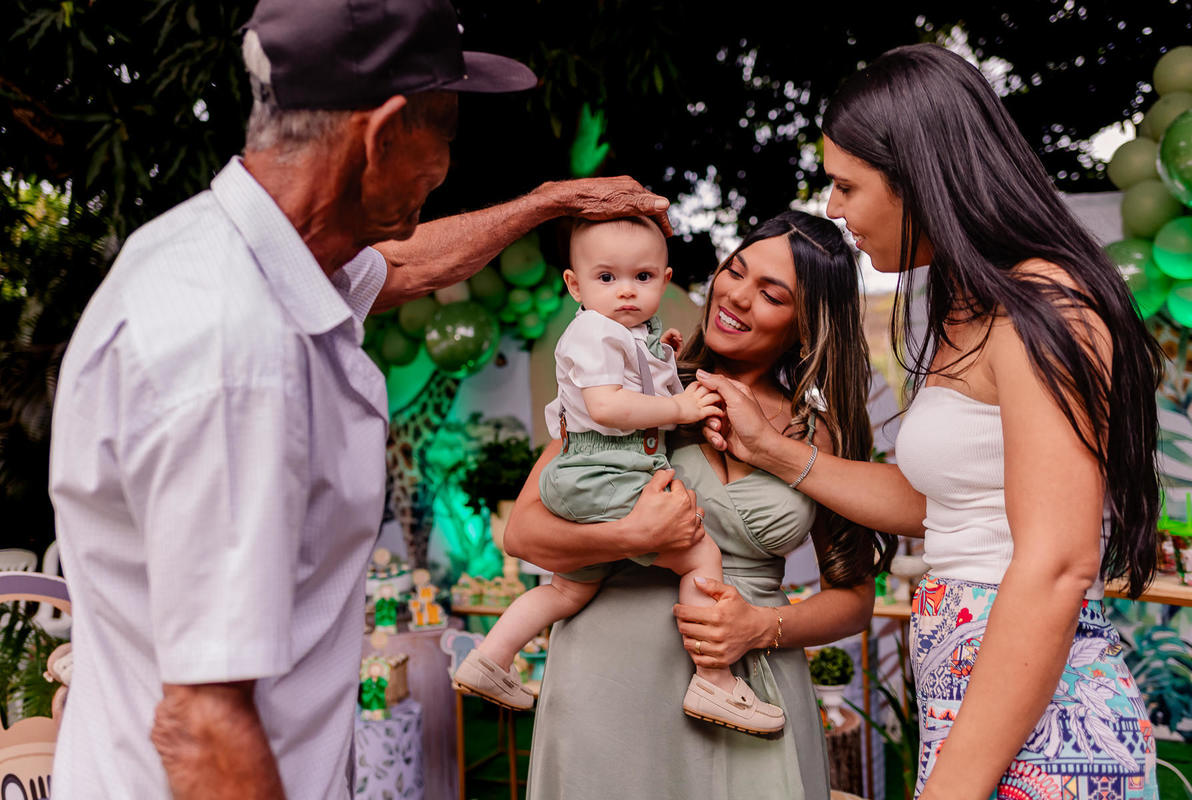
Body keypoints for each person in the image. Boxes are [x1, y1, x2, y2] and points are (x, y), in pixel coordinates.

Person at [46, 1, 673, 797]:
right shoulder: (234, 354)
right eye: (444, 131)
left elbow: (404, 269)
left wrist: (549, 202)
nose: (447, 162)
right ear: (379, 136)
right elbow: (201, 723)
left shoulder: (232, 253)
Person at [698, 44, 1163, 799]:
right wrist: (770, 451)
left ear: (919, 176)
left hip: (1045, 720)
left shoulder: (1045, 308)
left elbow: (1055, 564)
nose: (835, 209)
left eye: (848, 185)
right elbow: (939, 508)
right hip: (978, 696)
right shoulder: (966, 302)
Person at [504, 210, 896, 798]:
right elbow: (523, 532)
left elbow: (854, 601)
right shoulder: (631, 390)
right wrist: (630, 536)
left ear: (807, 324)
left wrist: (761, 627)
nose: (735, 296)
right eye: (735, 272)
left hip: (751, 686)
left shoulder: (819, 434)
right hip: (608, 680)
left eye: (771, 294)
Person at [453, 216, 783, 734]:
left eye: (643, 278)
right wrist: (680, 407)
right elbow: (607, 407)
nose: (626, 291)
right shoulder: (591, 330)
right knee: (700, 552)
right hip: (605, 466)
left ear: (665, 278)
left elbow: (632, 377)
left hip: (591, 475)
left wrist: (660, 356)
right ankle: (714, 681)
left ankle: (490, 658)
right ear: (574, 284)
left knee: (567, 591)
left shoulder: (625, 334)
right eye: (607, 278)